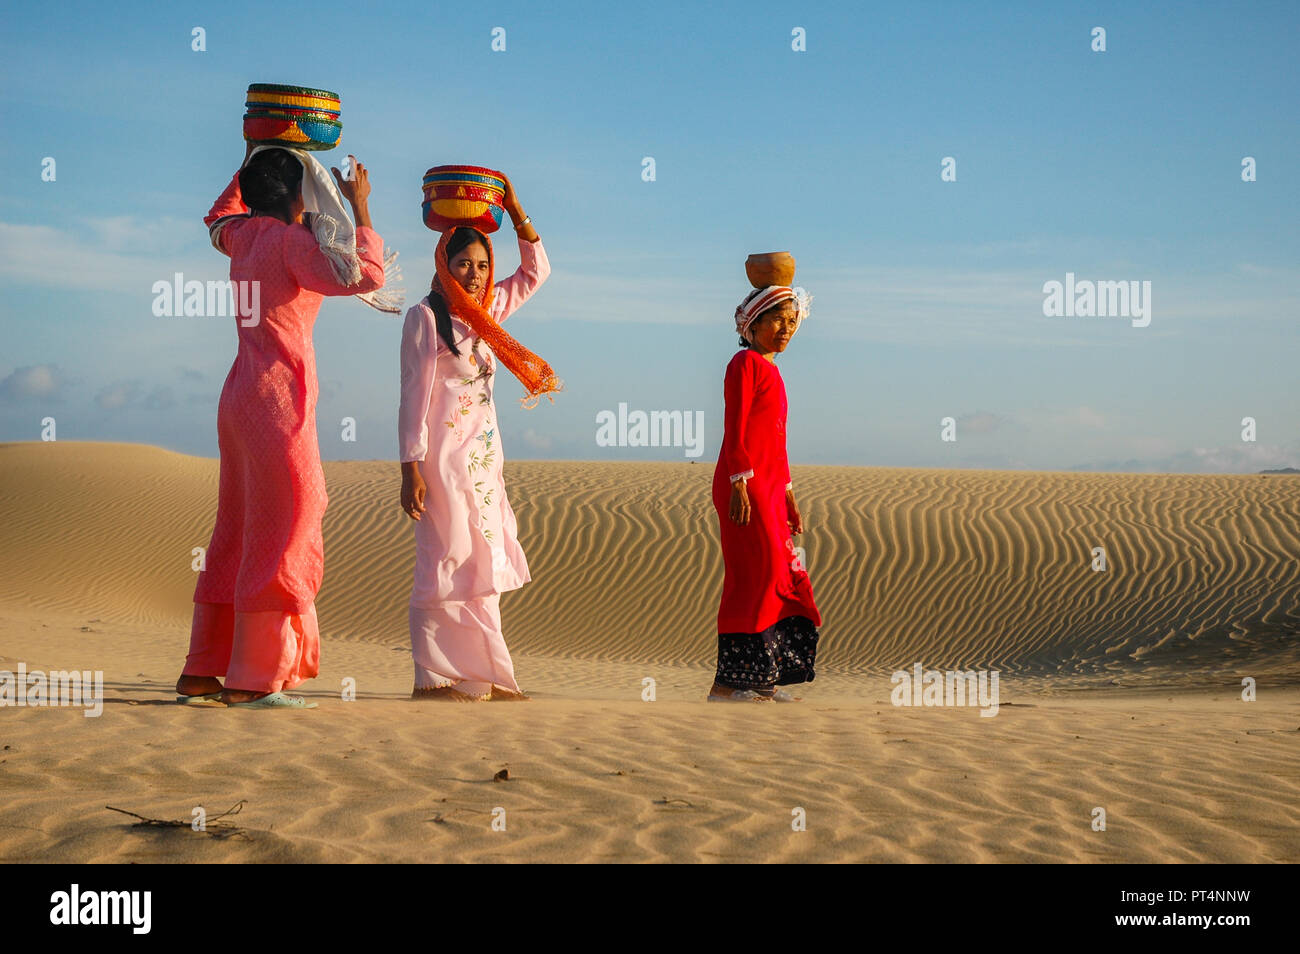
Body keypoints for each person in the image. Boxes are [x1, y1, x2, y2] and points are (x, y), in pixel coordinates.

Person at [176, 142, 388, 709]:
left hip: (239, 401)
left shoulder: (240, 237)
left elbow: (217, 217)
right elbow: (365, 275)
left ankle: (204, 668)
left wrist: (252, 150)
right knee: (290, 524)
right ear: (300, 197)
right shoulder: (293, 244)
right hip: (278, 406)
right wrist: (360, 207)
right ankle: (253, 677)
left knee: (239, 529)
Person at [397, 175, 554, 701]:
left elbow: (537, 271)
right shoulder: (426, 316)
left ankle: (485, 675)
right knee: (445, 557)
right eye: (464, 263)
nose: (475, 273)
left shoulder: (489, 315)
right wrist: (409, 467)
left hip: (484, 463)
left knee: (483, 561)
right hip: (440, 462)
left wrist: (515, 207)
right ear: (444, 262)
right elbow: (413, 397)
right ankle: (431, 677)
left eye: (483, 265)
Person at [709, 283, 822, 701]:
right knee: (754, 577)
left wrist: (789, 495)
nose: (785, 328)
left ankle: (761, 680)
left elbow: (777, 441)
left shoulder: (773, 372)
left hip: (771, 489)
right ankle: (729, 685)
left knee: (776, 574)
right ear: (752, 323)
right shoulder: (744, 363)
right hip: (745, 486)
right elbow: (734, 427)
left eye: (792, 321)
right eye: (776, 319)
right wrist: (740, 481)